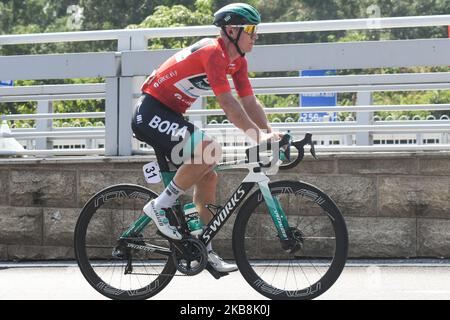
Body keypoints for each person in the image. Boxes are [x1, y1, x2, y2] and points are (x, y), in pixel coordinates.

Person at [131, 3, 280, 273]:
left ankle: (204, 248)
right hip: (151, 111)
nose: (255, 36)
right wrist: (256, 137)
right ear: (232, 30)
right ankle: (159, 207)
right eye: (251, 30)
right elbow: (228, 103)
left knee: (209, 175)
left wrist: (268, 132)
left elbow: (247, 100)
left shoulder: (238, 61)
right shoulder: (213, 53)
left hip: (171, 114)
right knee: (209, 150)